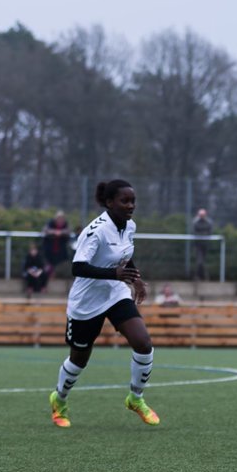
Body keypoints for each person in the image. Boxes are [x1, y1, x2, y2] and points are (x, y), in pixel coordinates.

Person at [47, 179, 159, 429]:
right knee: (79, 360)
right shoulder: (96, 230)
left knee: (143, 343)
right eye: (125, 201)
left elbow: (125, 256)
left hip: (115, 293)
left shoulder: (130, 226)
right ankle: (60, 399)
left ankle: (135, 398)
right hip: (86, 302)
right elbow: (77, 266)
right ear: (109, 203)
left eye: (133, 201)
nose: (131, 206)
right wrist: (114, 275)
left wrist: (135, 280)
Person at [40, 211, 72, 284]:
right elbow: (45, 230)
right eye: (59, 218)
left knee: (60, 265)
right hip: (49, 250)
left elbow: (68, 231)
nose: (60, 220)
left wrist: (61, 232)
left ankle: (54, 275)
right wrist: (55, 232)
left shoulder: (65, 224)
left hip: (61, 251)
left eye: (62, 219)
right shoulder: (50, 223)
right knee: (48, 266)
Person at [191, 208, 213, 281]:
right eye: (201, 215)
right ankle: (200, 276)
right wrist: (202, 234)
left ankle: (201, 277)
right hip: (197, 245)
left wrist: (204, 235)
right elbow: (194, 232)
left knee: (203, 261)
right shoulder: (195, 222)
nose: (202, 216)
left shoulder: (208, 222)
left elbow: (210, 232)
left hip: (205, 244)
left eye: (203, 215)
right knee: (199, 261)